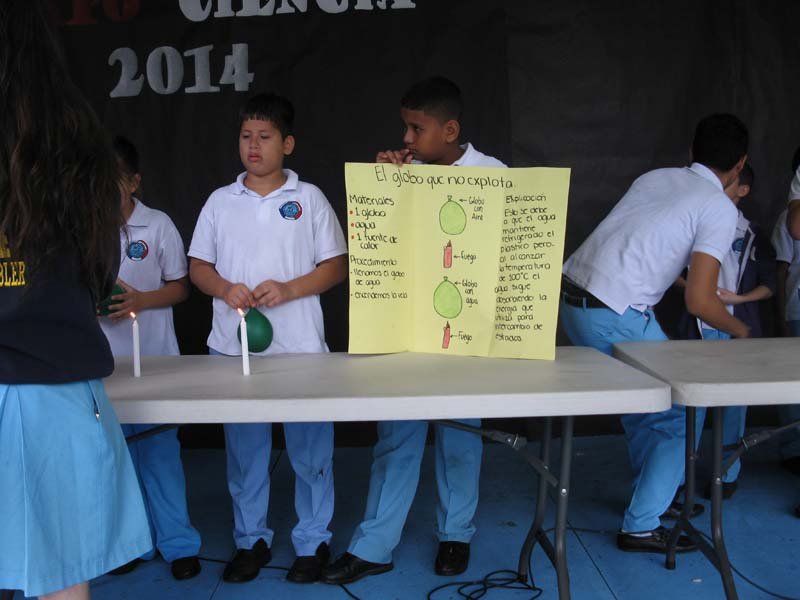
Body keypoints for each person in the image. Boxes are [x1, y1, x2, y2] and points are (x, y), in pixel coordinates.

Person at [322, 76, 506, 586]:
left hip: (465, 335)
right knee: (396, 438)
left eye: (416, 128)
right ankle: (373, 546)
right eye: (405, 127)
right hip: (405, 331)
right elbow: (380, 246)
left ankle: (456, 535)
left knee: (461, 440)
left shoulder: (494, 175)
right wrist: (384, 187)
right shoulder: (405, 174)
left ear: (450, 130)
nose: (406, 138)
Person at [0, 2, 151, 598]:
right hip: (55, 389)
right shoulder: (78, 144)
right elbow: (98, 269)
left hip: (48, 385)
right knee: (63, 577)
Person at [559, 114, 749, 554]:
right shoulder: (719, 206)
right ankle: (642, 525)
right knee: (679, 412)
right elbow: (700, 301)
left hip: (573, 301)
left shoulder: (657, 177)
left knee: (643, 406)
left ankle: (653, 498)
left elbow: (648, 248)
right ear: (739, 164)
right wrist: (742, 331)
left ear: (692, 150)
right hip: (615, 312)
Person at [188, 93, 348, 584]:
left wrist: (289, 289)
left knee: (311, 452)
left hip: (300, 347)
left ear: (288, 144)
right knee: (245, 452)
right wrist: (224, 288)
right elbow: (198, 267)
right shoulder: (220, 201)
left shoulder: (309, 198)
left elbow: (336, 266)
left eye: (264, 136)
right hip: (233, 348)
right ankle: (250, 540)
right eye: (246, 136)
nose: (253, 145)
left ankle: (312, 541)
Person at [99, 136, 202, 580]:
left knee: (160, 453)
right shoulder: (82, 229)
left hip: (156, 361)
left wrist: (140, 300)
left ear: (134, 182)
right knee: (116, 459)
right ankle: (133, 544)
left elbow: (181, 287)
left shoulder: (157, 225)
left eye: (113, 180)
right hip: (103, 366)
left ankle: (179, 544)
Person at [676, 164, 774, 499]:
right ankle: (679, 476)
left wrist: (739, 299)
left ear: (742, 190)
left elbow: (769, 283)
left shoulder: (753, 234)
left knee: (734, 407)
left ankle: (726, 474)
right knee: (692, 404)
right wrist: (697, 290)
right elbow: (671, 269)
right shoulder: (695, 222)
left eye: (727, 183)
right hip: (699, 328)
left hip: (737, 329)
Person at [771, 146, 800, 478]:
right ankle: (793, 447)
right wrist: (780, 316)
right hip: (797, 307)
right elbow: (781, 270)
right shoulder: (789, 219)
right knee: (795, 382)